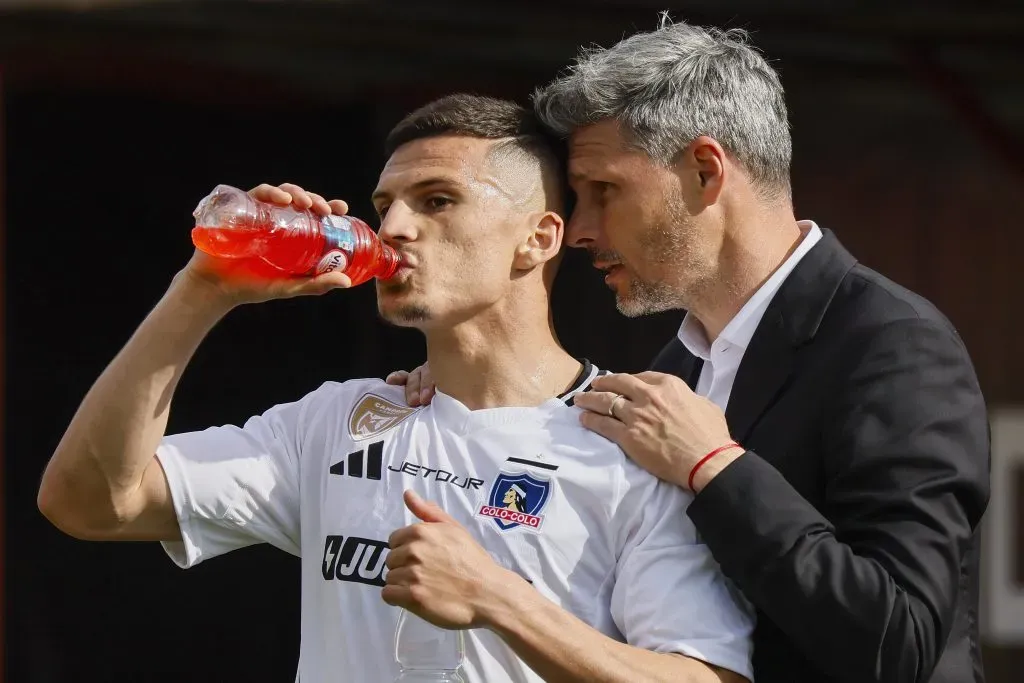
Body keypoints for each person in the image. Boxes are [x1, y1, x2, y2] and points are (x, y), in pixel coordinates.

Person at [37, 94, 754, 683]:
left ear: (537, 238)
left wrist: (499, 598)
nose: (396, 226)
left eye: (437, 200)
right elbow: (88, 500)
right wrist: (201, 292)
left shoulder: (636, 440)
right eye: (386, 204)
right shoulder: (340, 420)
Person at [388, 19, 992, 683]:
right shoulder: (670, 373)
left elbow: (898, 643)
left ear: (705, 170)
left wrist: (717, 468)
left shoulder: (892, 345)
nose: (580, 230)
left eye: (604, 191)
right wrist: (456, 388)